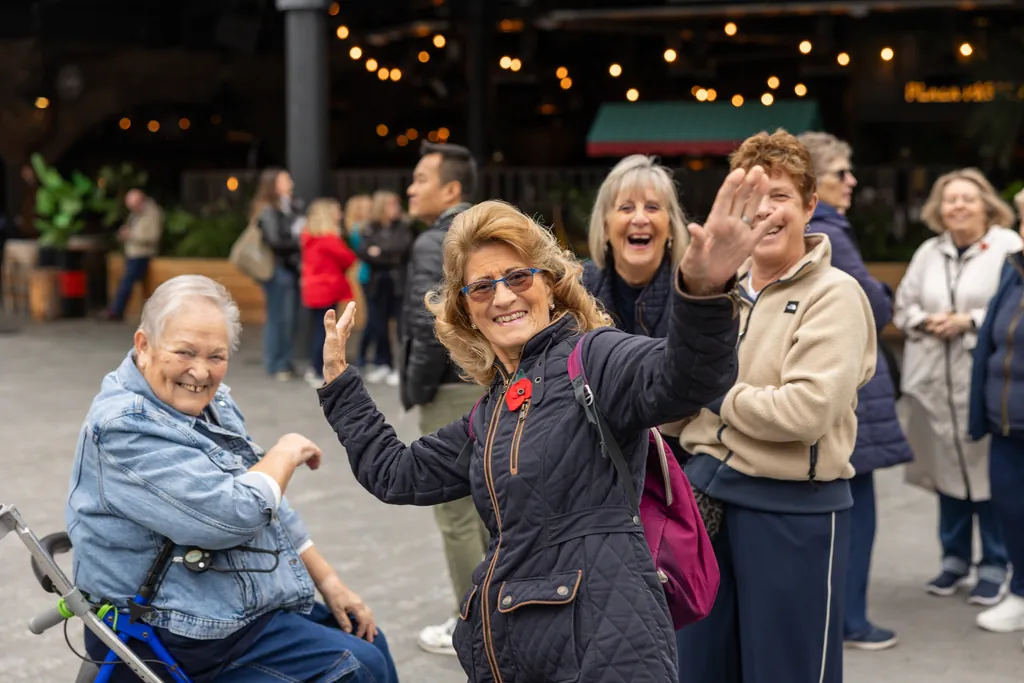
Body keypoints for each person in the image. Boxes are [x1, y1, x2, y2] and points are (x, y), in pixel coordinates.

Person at [317, 178, 771, 682]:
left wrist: (704, 294)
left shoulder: (594, 358)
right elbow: (397, 474)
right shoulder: (490, 413)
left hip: (608, 655)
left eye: (518, 276)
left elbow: (685, 378)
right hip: (517, 658)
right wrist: (342, 387)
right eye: (483, 287)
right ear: (466, 310)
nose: (503, 296)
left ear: (550, 286)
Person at [66, 275, 398, 683]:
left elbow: (267, 497)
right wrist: (286, 451)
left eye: (216, 356)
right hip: (166, 628)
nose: (201, 371)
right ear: (144, 346)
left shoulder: (210, 401)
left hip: (220, 604)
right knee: (358, 667)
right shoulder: (125, 426)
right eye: (184, 352)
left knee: (368, 635)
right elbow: (235, 513)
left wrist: (330, 582)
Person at [677, 129, 877, 683]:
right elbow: (672, 404)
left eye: (781, 196)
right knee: (700, 669)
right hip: (705, 503)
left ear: (811, 205)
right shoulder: (718, 290)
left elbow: (805, 412)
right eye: (751, 200)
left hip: (793, 511)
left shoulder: (834, 294)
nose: (764, 211)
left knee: (786, 672)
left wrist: (709, 388)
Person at [799, 131, 912, 651]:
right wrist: (885, 292)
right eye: (841, 171)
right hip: (850, 392)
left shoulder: (808, 230)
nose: (852, 180)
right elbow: (876, 307)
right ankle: (852, 621)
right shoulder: (829, 233)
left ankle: (835, 615)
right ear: (815, 183)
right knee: (855, 507)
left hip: (820, 381)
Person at [893, 168, 1023, 605]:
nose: (959, 206)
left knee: (987, 475)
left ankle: (995, 563)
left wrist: (968, 322)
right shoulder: (929, 251)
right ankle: (953, 560)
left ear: (987, 203)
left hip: (984, 379)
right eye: (950, 200)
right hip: (934, 381)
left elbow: (1012, 308)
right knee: (946, 471)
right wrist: (926, 321)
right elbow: (904, 305)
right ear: (938, 208)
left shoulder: (1008, 246)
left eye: (968, 198)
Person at [399, 141, 488, 655]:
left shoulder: (435, 242)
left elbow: (426, 324)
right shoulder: (483, 235)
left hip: (449, 389)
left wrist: (415, 387)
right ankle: (495, 615)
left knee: (455, 515)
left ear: (451, 189)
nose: (411, 188)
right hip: (483, 384)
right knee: (485, 510)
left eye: (421, 178)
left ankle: (472, 628)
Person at [582, 155, 692, 456]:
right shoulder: (576, 288)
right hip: (595, 452)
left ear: (670, 227)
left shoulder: (696, 289)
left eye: (653, 207)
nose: (640, 218)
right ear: (605, 225)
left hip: (679, 457)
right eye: (626, 207)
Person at [968, 188, 1024, 638]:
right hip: (1007, 424)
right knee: (1011, 510)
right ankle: (1021, 592)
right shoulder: (1015, 272)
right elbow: (991, 340)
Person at [354, 190, 413, 387]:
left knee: (401, 327)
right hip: (376, 283)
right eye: (391, 205)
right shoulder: (370, 227)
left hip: (398, 283)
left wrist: (380, 252)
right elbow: (363, 252)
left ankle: (400, 367)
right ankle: (383, 363)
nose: (396, 209)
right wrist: (386, 255)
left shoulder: (404, 226)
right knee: (378, 324)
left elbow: (402, 249)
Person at [251, 169, 303, 381]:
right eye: (285, 179)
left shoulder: (291, 205)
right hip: (277, 270)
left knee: (290, 318)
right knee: (279, 318)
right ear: (274, 184)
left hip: (290, 268)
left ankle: (284, 360)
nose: (290, 181)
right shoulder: (268, 210)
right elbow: (275, 242)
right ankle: (277, 363)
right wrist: (299, 241)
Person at [301, 198, 357, 388]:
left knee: (317, 329)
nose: (340, 215)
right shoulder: (329, 239)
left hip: (312, 289)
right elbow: (348, 258)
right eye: (337, 211)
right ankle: (318, 368)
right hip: (326, 289)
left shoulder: (309, 237)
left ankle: (313, 367)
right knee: (325, 332)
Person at [101, 189, 163, 321]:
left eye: (134, 204)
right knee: (127, 282)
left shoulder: (151, 214)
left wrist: (131, 235)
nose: (132, 208)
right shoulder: (135, 214)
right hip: (132, 253)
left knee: (127, 282)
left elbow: (153, 236)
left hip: (142, 254)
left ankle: (116, 310)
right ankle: (116, 309)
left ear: (140, 201)